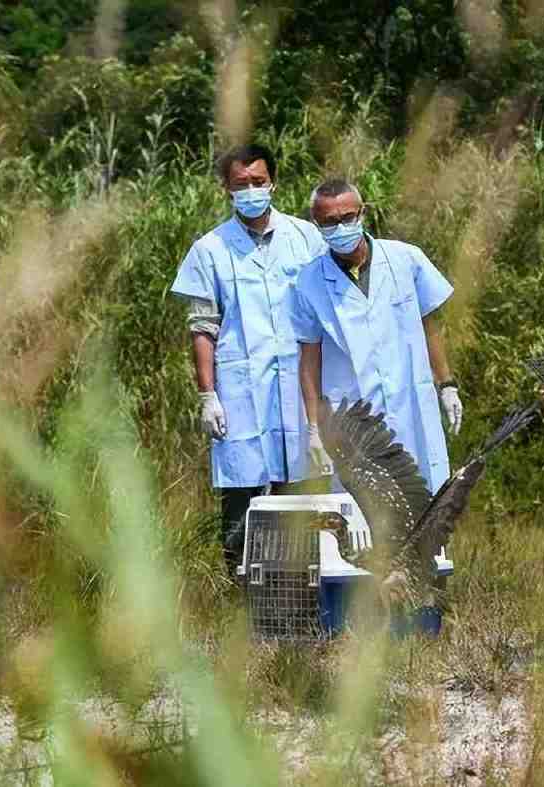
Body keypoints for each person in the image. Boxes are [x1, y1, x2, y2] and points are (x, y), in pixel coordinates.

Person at [170, 143, 327, 573]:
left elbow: (326, 310)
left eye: (259, 181)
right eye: (242, 184)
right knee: (243, 495)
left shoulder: (305, 237)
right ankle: (239, 591)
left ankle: (303, 587)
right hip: (241, 389)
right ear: (227, 188)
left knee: (303, 489)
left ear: (273, 182)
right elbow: (203, 327)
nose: (252, 190)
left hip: (300, 386)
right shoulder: (210, 249)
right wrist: (208, 396)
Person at [292, 178, 462, 494]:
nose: (340, 227)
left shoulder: (406, 259)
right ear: (316, 223)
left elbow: (429, 325)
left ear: (362, 213)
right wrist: (313, 427)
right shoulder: (307, 282)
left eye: (347, 217)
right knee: (364, 508)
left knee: (428, 499)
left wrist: (447, 384)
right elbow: (309, 360)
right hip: (353, 414)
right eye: (329, 222)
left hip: (410, 401)